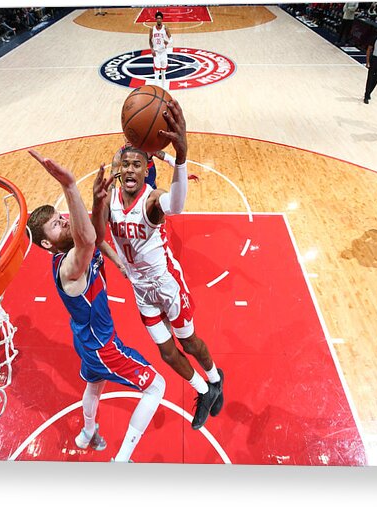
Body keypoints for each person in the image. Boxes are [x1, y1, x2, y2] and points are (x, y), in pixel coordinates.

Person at [92, 99, 223, 431]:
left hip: (167, 286)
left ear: (144, 168)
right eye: (127, 164)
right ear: (120, 170)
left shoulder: (151, 201)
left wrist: (179, 158)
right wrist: (116, 257)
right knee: (167, 354)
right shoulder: (109, 201)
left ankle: (214, 374)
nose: (132, 168)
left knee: (189, 342)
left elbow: (176, 205)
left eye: (138, 164)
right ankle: (204, 390)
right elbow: (96, 236)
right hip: (141, 292)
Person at [26, 151, 165, 463]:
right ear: (47, 244)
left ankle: (87, 432)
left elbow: (96, 235)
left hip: (85, 340)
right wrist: (70, 185)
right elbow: (89, 239)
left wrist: (120, 265)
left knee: (94, 384)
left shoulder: (75, 245)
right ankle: (122, 459)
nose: (62, 221)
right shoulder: (69, 266)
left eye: (60, 217)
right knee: (157, 386)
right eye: (54, 225)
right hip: (103, 346)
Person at [149, 11, 172, 90]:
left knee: (163, 73)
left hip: (163, 52)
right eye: (157, 18)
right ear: (156, 19)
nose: (159, 20)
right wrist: (152, 49)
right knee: (156, 72)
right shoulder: (152, 29)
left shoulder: (165, 28)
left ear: (162, 19)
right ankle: (156, 89)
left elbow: (171, 38)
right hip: (156, 53)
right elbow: (149, 40)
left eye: (160, 18)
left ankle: (164, 89)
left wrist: (168, 42)